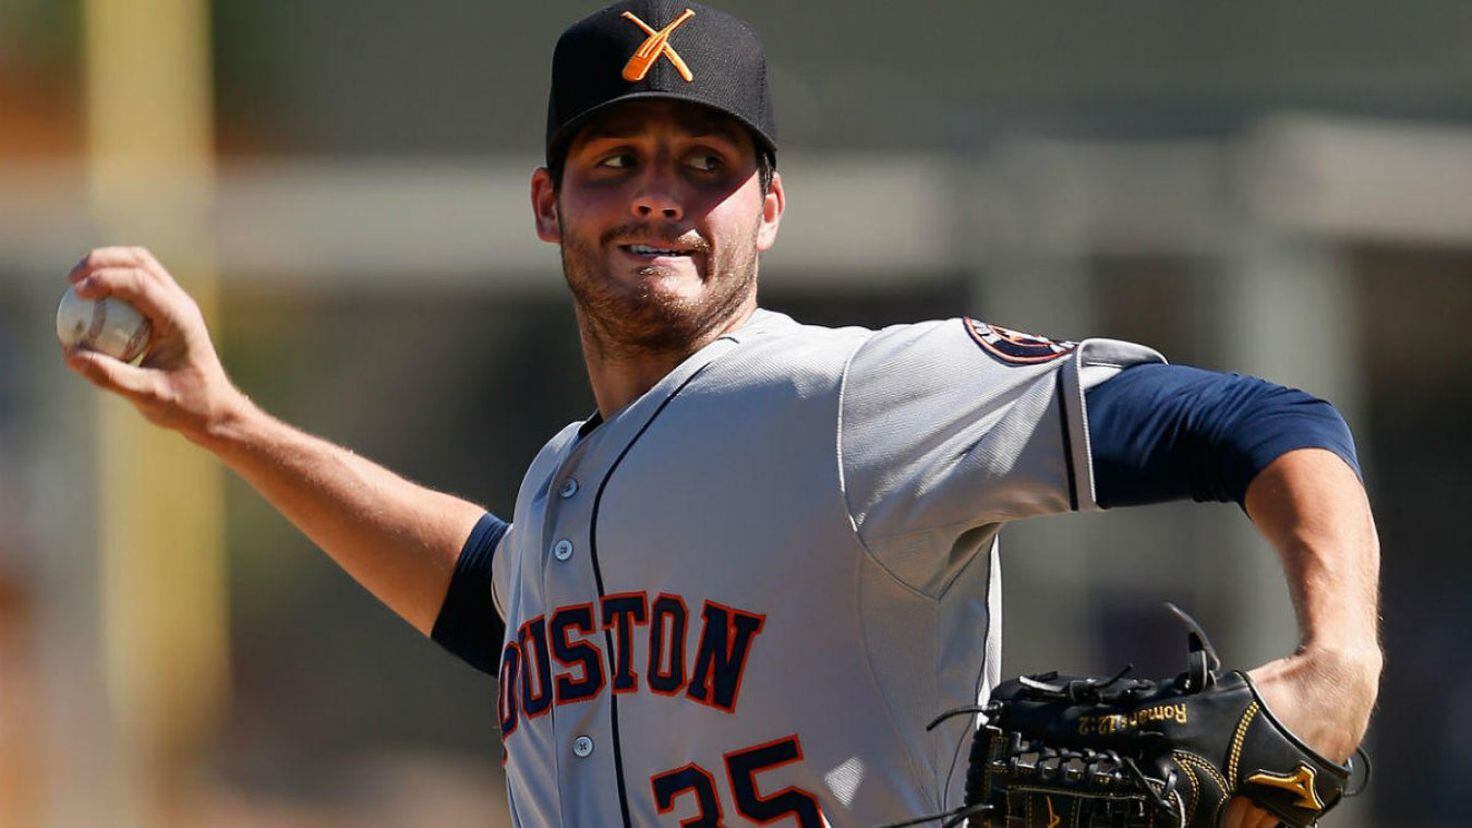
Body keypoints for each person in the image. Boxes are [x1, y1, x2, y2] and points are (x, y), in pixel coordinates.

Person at [62, 1, 1381, 825]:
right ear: (546, 204)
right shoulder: (569, 479)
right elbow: (500, 602)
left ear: (769, 207)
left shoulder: (854, 398)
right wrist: (230, 423)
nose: (658, 194)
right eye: (615, 160)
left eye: (705, 164)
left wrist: (1340, 659)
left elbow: (1259, 420)